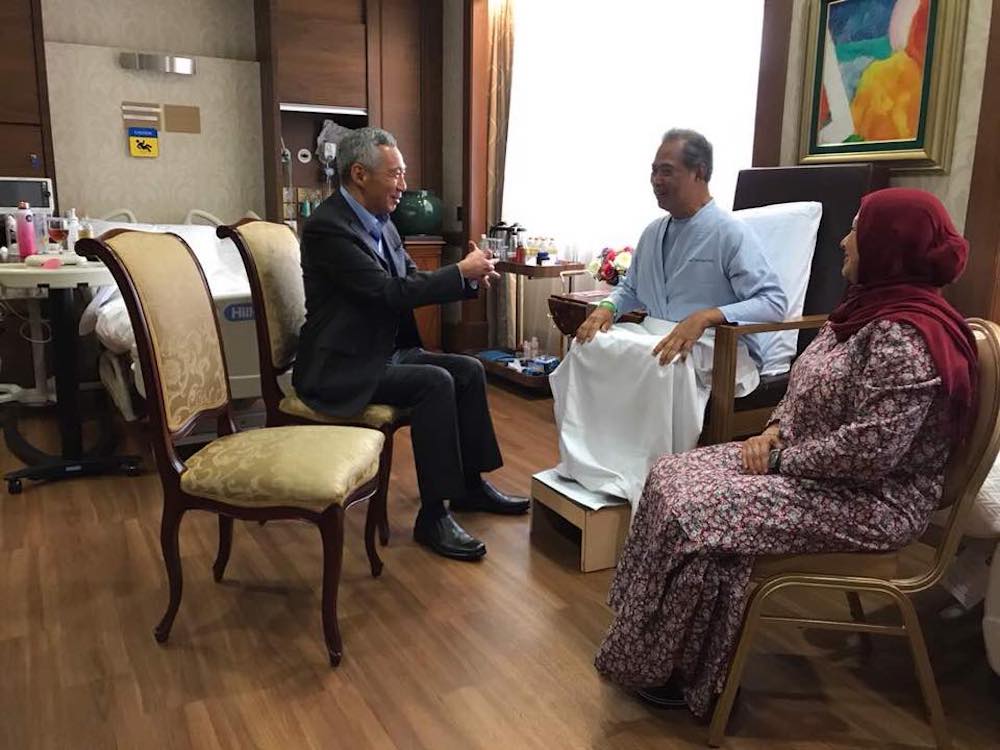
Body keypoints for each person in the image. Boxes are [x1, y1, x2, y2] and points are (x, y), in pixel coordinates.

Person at [594, 188, 979, 717]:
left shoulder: (906, 337)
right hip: (808, 465)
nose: (844, 240)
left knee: (697, 513)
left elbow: (869, 454)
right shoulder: (862, 312)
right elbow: (803, 391)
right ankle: (648, 638)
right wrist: (773, 432)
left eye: (858, 230)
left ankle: (677, 668)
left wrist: (777, 460)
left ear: (889, 246)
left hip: (871, 501)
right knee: (667, 473)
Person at [293, 127, 529, 563]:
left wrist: (467, 278)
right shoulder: (329, 228)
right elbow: (387, 291)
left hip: (384, 349)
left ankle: (469, 486)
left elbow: (410, 282)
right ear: (360, 174)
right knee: (434, 382)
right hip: (342, 364)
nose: (404, 185)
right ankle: (433, 515)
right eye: (396, 174)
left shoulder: (383, 223)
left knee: (470, 369)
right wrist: (460, 270)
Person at [574, 128, 787, 366]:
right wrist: (608, 307)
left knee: (664, 364)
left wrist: (706, 317)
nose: (656, 180)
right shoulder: (652, 233)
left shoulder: (730, 232)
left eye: (666, 171)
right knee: (587, 347)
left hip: (715, 346)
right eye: (653, 171)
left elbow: (774, 302)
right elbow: (632, 289)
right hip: (655, 337)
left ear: (699, 172)